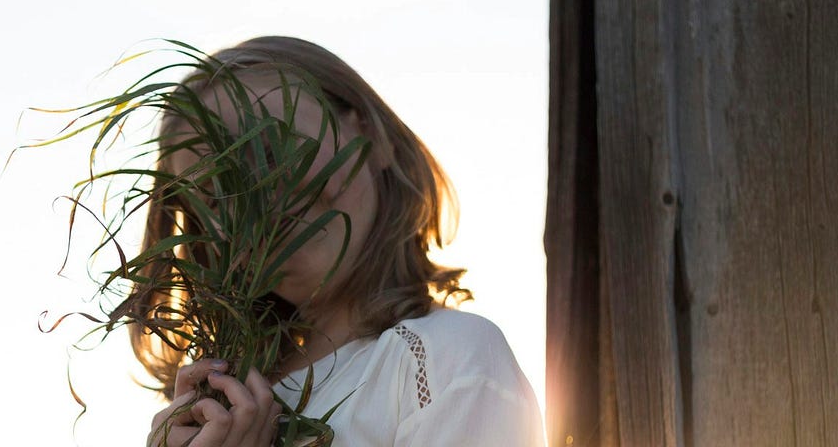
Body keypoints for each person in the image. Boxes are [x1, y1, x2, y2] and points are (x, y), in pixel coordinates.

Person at [132, 36, 544, 446]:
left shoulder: (443, 360)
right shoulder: (222, 404)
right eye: (215, 193)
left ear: (372, 137)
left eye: (274, 152)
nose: (253, 200)